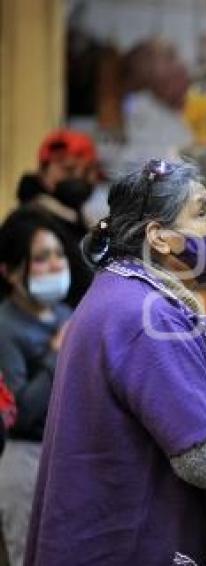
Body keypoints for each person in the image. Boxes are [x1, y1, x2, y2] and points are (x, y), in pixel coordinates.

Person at [26, 159, 206, 566]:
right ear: (159, 237)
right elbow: (205, 458)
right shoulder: (143, 315)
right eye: (202, 212)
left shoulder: (124, 292)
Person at [0, 209, 75, 566]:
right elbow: (18, 414)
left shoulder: (64, 314)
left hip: (66, 456)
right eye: (41, 258)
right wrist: (56, 355)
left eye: (59, 254)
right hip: (27, 461)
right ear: (11, 272)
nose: (57, 264)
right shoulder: (5, 328)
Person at [16, 130, 101, 306]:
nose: (78, 177)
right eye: (68, 169)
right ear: (43, 172)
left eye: (86, 171)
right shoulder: (28, 221)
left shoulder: (79, 220)